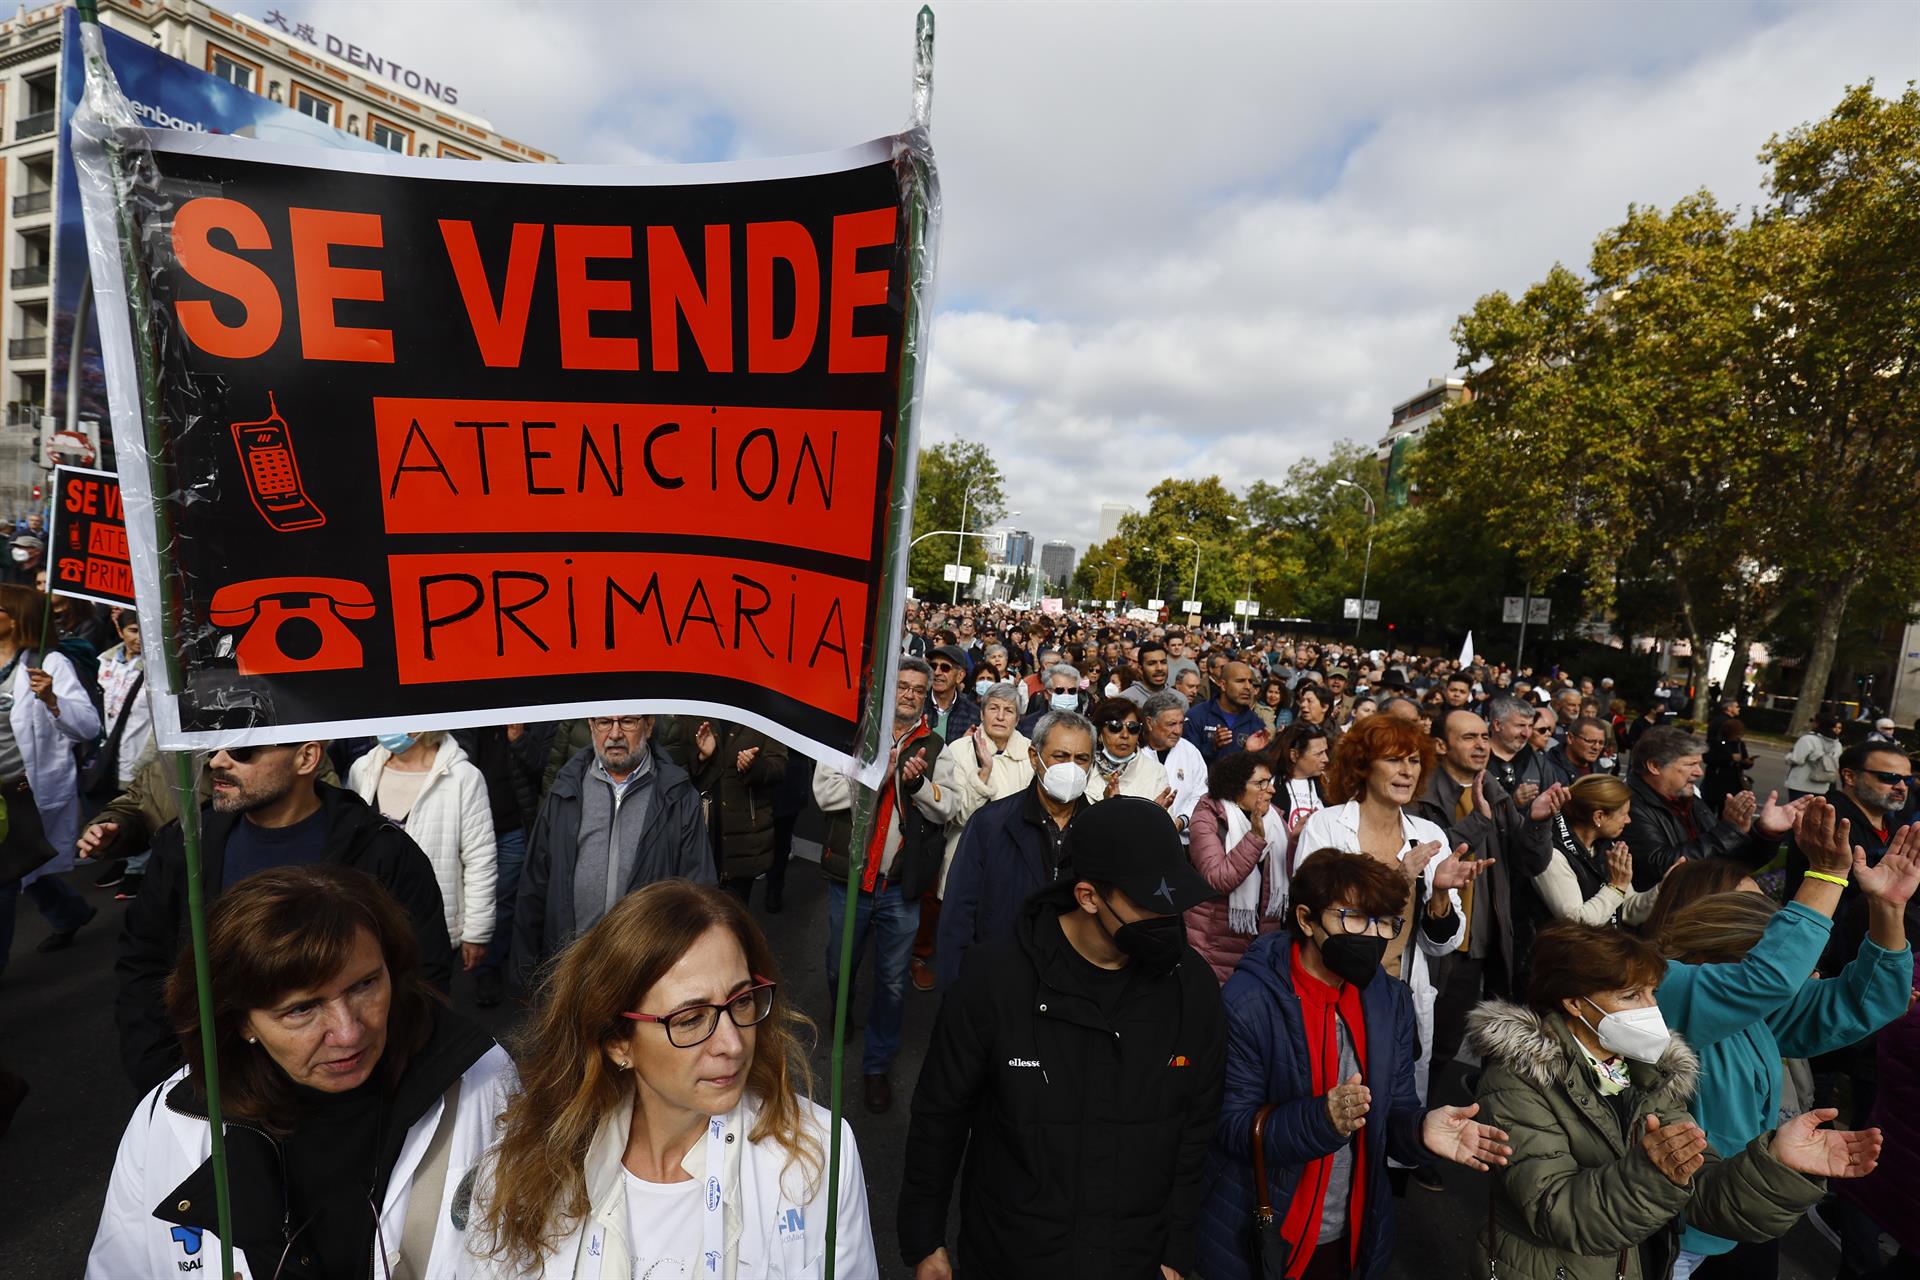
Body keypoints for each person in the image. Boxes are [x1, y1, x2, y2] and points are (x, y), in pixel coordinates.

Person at [89, 865, 514, 1277]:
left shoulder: (480, 1079)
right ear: (240, 1021)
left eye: (364, 985)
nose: (348, 1032)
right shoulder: (170, 1120)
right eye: (302, 1009)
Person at [464, 878, 875, 1277]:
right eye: (692, 1018)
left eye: (743, 1000)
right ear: (617, 1043)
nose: (732, 1043)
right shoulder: (525, 1168)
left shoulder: (819, 1155)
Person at [898, 798, 1227, 1280]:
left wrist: (1176, 1249)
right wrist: (924, 1240)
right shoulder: (994, 978)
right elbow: (939, 1115)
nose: (1168, 919)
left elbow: (1196, 1126)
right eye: (1149, 904)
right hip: (1013, 1256)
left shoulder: (1192, 986)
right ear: (1089, 896)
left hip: (1133, 1259)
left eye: (1173, 900)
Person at [1467, 922, 1878, 1280]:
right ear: (1574, 1003)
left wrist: (1777, 1162)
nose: (1651, 1009)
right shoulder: (1517, 1082)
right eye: (1631, 996)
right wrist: (1652, 1174)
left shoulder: (1646, 1072)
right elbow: (1555, 1211)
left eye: (1652, 993)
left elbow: (1700, 1190)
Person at [1197, 852, 1515, 1280]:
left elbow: (1395, 1110)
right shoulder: (1250, 1003)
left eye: (1385, 922)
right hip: (1266, 1231)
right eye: (1353, 918)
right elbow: (1230, 1126)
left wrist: (1421, 1129)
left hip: (1352, 1232)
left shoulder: (1389, 1001)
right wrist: (1321, 1119)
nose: (1373, 935)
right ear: (1307, 920)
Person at [1655, 803, 1917, 1280]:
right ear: (1696, 916)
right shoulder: (1660, 988)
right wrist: (1826, 876)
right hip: (1670, 1229)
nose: (1775, 920)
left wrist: (1888, 907)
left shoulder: (1758, 1011)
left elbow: (1866, 1002)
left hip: (1744, 1212)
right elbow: (1766, 978)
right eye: (1753, 907)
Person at [115, 740, 455, 1093]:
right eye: (214, 748)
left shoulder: (383, 853)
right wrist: (166, 1074)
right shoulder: (186, 845)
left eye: (242, 751)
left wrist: (379, 1085)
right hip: (217, 1097)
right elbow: (144, 964)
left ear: (306, 757)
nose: (218, 761)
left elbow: (421, 978)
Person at [1295, 715, 1486, 1101]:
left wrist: (1437, 897)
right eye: (1393, 759)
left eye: (1414, 761)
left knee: (1393, 1105)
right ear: (1363, 765)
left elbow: (1442, 944)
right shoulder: (1326, 826)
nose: (1406, 771)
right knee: (1334, 1099)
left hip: (1400, 997)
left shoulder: (1429, 835)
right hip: (1334, 993)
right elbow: (1315, 917)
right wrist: (1399, 880)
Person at [813, 655, 946, 1113]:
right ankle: (842, 1013)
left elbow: (946, 809)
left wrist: (920, 786)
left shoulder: (935, 744)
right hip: (848, 882)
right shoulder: (852, 737)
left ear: (925, 694)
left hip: (897, 889)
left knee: (891, 984)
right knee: (838, 967)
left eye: (916, 688)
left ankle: (877, 1068)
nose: (908, 694)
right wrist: (876, 778)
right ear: (887, 691)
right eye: (901, 686)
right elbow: (824, 794)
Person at [513, 714, 713, 990]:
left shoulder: (677, 797)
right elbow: (534, 887)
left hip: (645, 978)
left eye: (628, 722)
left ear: (650, 724)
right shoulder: (565, 791)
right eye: (604, 722)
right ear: (592, 726)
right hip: (572, 976)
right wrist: (525, 979)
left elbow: (699, 893)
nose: (615, 734)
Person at [936, 708, 1094, 989]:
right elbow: (958, 917)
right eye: (1060, 756)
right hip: (998, 985)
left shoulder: (1100, 831)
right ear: (1035, 757)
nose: (1071, 767)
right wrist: (956, 994)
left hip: (1071, 989)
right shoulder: (990, 824)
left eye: (1081, 759)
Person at [0, 584, 101, 972]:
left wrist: (53, 699)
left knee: (5, 880)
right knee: (25, 868)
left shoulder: (49, 664)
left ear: (17, 618)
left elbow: (88, 727)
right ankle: (69, 912)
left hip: (23, 791)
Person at [348, 730, 498, 976]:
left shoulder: (463, 777)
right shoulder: (363, 769)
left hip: (430, 928)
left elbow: (480, 858)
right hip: (369, 926)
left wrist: (477, 933)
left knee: (428, 1008)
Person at [914, 681, 1032, 990]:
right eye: (993, 708)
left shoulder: (1030, 752)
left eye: (1009, 711)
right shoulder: (960, 750)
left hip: (1010, 858)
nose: (1001, 716)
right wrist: (983, 775)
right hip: (964, 852)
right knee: (957, 929)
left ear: (1018, 718)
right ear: (981, 712)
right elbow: (957, 815)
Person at [1621, 726, 1804, 890]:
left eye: (1699, 763)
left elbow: (1730, 862)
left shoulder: (1688, 799)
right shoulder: (1628, 804)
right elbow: (1661, 866)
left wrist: (1765, 832)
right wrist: (1729, 830)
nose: (1699, 771)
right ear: (1654, 766)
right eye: (1690, 764)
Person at [1185, 749, 1291, 983]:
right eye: (1261, 783)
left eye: (1271, 781)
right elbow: (1217, 878)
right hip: (1214, 948)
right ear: (1236, 786)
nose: (1271, 789)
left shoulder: (1274, 819)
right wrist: (1254, 837)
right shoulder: (1207, 817)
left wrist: (1298, 842)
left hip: (1261, 949)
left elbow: (1290, 875)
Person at [1534, 774, 1661, 929]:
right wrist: (1616, 886)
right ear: (1599, 817)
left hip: (1604, 947)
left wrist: (1664, 889)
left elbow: (1626, 910)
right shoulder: (1553, 855)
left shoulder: (1605, 845)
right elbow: (1576, 922)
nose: (1628, 820)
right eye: (1624, 814)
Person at [690, 718, 790, 904]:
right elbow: (677, 767)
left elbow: (778, 767)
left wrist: (754, 766)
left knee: (734, 914)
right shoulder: (701, 707)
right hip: (703, 832)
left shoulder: (764, 714)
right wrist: (701, 758)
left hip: (744, 837)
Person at [1144, 688, 1209, 840]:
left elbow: (1201, 794)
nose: (1178, 731)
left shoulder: (1190, 751)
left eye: (1181, 723)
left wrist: (1181, 821)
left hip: (1182, 840)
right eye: (1171, 724)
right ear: (1149, 723)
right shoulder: (1137, 752)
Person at [1087, 695, 1172, 804]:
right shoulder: (1085, 767)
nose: (1125, 735)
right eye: (1115, 727)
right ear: (1099, 734)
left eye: (1132, 727)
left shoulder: (1156, 772)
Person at [1186, 660, 1268, 766]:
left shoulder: (1256, 724)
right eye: (1240, 681)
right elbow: (1186, 762)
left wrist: (1249, 753)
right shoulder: (1197, 716)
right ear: (1223, 685)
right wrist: (1212, 747)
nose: (1248, 687)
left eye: (1250, 682)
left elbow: (1261, 768)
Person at [1485, 694, 1549, 802]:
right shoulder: (1475, 761)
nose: (1527, 734)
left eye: (1530, 726)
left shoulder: (1540, 763)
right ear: (1497, 725)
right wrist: (1512, 803)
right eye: (1520, 725)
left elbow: (1556, 812)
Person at [1275, 721, 1331, 832]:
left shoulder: (1325, 784)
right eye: (1318, 754)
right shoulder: (1272, 784)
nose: (1326, 759)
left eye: (1325, 752)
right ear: (1294, 755)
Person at [925, 644, 982, 742]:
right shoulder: (917, 706)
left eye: (945, 668)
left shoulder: (973, 715)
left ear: (960, 676)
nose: (937, 672)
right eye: (933, 666)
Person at [1784, 713, 1845, 801]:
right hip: (1823, 786)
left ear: (1818, 724)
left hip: (1800, 784)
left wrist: (1788, 756)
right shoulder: (1837, 744)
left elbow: (1797, 759)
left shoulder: (1808, 739)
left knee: (1796, 811)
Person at [1700, 715, 1753, 814]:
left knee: (1725, 811)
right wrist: (1729, 758)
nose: (1739, 737)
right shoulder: (1717, 743)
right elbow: (1708, 758)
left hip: (1733, 782)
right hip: (1716, 781)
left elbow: (1743, 760)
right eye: (1737, 734)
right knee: (1709, 810)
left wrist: (1747, 762)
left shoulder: (1740, 745)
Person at [1540, 716, 1610, 789]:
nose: (1596, 747)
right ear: (1570, 738)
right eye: (1590, 741)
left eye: (1601, 743)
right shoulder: (1547, 769)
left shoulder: (1600, 770)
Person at [1120, 639, 1172, 706]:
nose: (1159, 668)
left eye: (1163, 662)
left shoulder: (1180, 699)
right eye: (1151, 663)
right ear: (1140, 669)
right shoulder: (1126, 700)